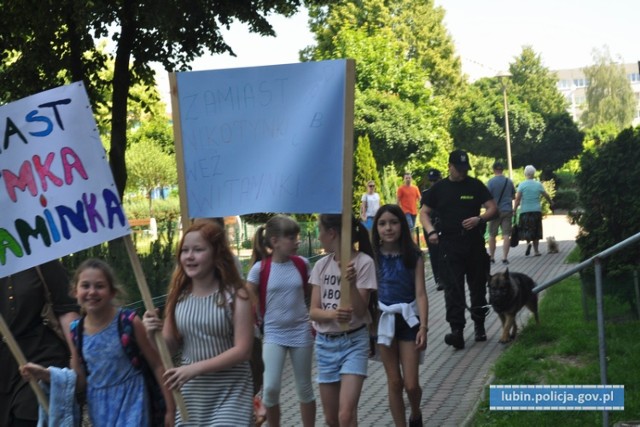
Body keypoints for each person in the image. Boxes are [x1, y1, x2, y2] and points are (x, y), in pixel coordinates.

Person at [20, 258, 174, 426]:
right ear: (75, 292)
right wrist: (45, 374)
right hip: (100, 410)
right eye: (85, 286)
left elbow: (157, 365)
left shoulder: (128, 322)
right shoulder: (76, 332)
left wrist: (170, 409)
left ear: (112, 292)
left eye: (99, 286)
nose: (92, 292)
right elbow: (79, 381)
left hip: (133, 402)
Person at [143, 219, 254, 425]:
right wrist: (150, 334)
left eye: (198, 250)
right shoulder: (177, 296)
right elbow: (169, 347)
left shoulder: (237, 295)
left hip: (231, 391)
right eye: (185, 250)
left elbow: (243, 351)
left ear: (216, 254)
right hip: (192, 393)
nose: (189, 256)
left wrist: (194, 368)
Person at [421, 150, 498, 350]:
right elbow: (424, 213)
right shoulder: (439, 188)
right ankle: (457, 331)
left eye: (465, 169)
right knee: (453, 290)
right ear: (450, 166)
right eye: (459, 169)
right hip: (449, 245)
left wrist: (479, 219)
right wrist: (430, 232)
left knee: (478, 286)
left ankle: (480, 326)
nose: (463, 173)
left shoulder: (475, 185)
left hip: (474, 244)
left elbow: (492, 208)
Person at [246, 215, 316, 427]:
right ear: (274, 241)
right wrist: (254, 322)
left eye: (297, 237)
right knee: (270, 388)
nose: (297, 241)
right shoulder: (260, 269)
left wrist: (315, 318)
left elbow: (314, 294)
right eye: (291, 237)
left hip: (301, 332)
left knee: (304, 387)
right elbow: (247, 298)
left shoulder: (302, 264)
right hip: (274, 334)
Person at [309, 214, 377, 427]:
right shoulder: (321, 265)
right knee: (331, 420)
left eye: (320, 231)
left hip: (353, 342)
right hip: (325, 344)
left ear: (332, 233)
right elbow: (313, 311)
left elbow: (359, 310)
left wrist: (352, 283)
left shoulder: (364, 263)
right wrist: (333, 315)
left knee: (345, 416)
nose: (319, 237)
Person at [1, 260, 80, 427]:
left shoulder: (39, 255)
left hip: (41, 356)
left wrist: (77, 358)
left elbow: (66, 309)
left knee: (29, 415)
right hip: (3, 368)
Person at [372, 204, 429, 427]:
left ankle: (415, 413)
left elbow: (421, 293)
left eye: (394, 222)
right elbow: (368, 293)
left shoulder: (413, 256)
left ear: (402, 226)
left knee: (411, 384)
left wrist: (423, 326)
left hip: (409, 321)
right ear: (376, 227)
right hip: (383, 322)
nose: (388, 228)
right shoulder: (372, 257)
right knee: (395, 381)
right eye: (383, 223)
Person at [513, 165, 553, 257]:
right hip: (536, 210)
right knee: (536, 230)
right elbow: (546, 195)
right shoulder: (538, 184)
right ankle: (536, 251)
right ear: (534, 174)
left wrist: (514, 209)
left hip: (525, 211)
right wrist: (551, 202)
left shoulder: (522, 185)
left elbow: (518, 199)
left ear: (525, 174)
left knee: (526, 229)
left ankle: (528, 243)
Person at [486, 161, 516, 264]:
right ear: (502, 170)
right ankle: (504, 257)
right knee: (506, 234)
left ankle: (492, 257)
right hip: (507, 210)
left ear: (494, 170)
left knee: (492, 235)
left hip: (494, 211)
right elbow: (513, 196)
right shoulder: (509, 181)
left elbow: (487, 197)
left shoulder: (490, 182)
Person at [419, 169, 443, 290]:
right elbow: (423, 212)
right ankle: (438, 279)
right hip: (431, 225)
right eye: (432, 181)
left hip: (444, 225)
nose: (434, 183)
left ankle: (447, 276)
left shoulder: (446, 191)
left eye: (436, 180)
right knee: (434, 253)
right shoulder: (426, 194)